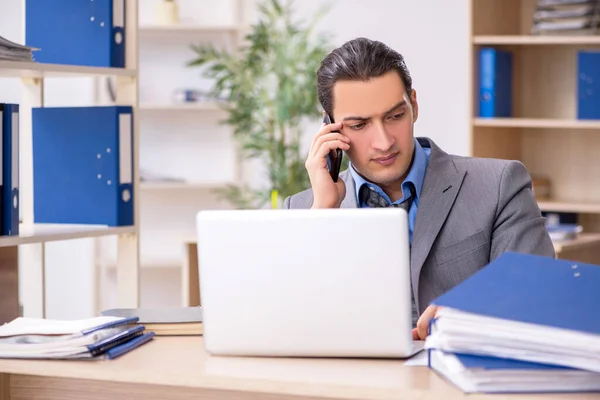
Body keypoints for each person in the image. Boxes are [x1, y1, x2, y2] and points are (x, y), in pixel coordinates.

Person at [283, 37, 555, 340]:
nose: (384, 142)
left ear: (413, 104)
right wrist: (323, 213)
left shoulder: (499, 184)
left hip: (456, 379)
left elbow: (537, 295)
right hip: (350, 383)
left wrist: (469, 316)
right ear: (330, 127)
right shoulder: (303, 212)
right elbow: (288, 322)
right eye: (359, 125)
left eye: (395, 116)